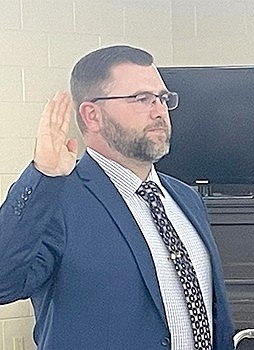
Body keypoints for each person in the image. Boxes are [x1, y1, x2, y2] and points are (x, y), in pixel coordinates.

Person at [0, 45, 235, 349]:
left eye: (163, 99)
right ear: (92, 115)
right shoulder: (57, 199)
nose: (159, 111)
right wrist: (42, 174)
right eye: (142, 99)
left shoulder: (186, 199)